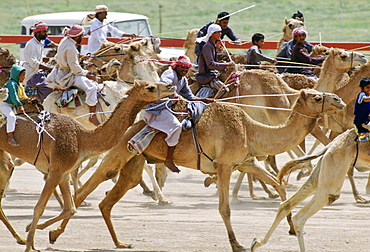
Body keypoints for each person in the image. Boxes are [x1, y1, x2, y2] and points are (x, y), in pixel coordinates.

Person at [142, 56, 213, 173]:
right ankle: (169, 159)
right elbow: (164, 85)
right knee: (177, 127)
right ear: (177, 66)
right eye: (182, 67)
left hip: (167, 108)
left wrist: (204, 100)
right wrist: (174, 95)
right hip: (158, 109)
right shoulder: (170, 73)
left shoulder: (183, 80)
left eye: (187, 68)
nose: (185, 69)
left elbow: (190, 97)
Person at [45, 25, 100, 126]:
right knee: (92, 87)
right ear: (77, 36)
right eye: (81, 36)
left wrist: (83, 62)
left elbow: (68, 58)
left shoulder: (65, 41)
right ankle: (92, 116)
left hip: (60, 72)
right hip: (68, 76)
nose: (82, 38)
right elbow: (73, 66)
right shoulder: (71, 47)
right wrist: (87, 74)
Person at [195, 24, 234, 98]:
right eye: (218, 32)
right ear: (212, 34)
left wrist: (216, 50)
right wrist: (227, 64)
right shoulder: (207, 47)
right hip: (207, 76)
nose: (220, 34)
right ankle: (210, 103)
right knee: (224, 90)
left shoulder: (212, 45)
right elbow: (211, 64)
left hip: (211, 74)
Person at [23, 21, 54, 103]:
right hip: (32, 75)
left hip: (39, 73)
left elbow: (40, 57)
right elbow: (33, 63)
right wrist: (49, 68)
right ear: (37, 33)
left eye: (46, 31)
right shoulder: (31, 44)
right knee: (49, 87)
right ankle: (43, 105)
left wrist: (51, 60)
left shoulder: (40, 42)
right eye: (44, 32)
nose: (46, 34)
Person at [0, 65, 27, 146]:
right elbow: (13, 96)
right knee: (12, 117)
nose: (24, 77)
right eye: (23, 75)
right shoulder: (12, 84)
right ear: (17, 75)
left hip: (11, 105)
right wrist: (19, 105)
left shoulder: (17, 84)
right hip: (4, 104)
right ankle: (10, 137)